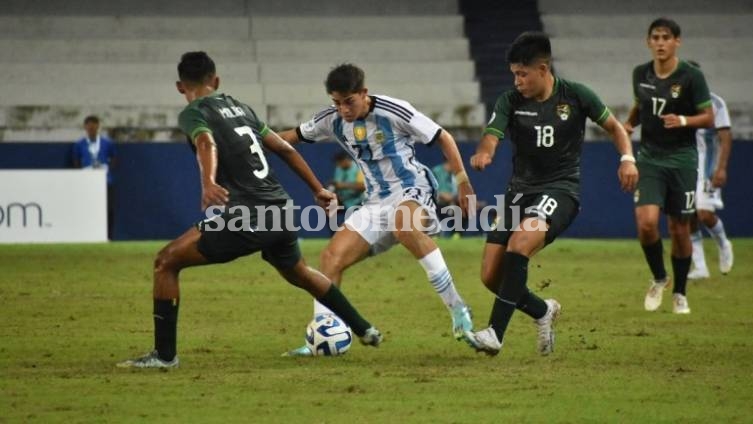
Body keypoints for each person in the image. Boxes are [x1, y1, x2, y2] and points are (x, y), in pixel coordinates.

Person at [117, 52, 382, 368]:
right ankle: (364, 327)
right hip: (282, 208)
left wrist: (207, 182)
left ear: (180, 86)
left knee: (166, 262)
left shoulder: (194, 112)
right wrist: (317, 188)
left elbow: (206, 143)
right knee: (299, 272)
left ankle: (164, 356)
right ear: (215, 81)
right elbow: (284, 147)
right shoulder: (240, 108)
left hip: (249, 214)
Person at [278, 63, 477, 356]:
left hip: (412, 189)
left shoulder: (393, 110)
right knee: (330, 257)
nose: (343, 109)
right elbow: (289, 137)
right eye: (336, 102)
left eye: (349, 101)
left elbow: (444, 137)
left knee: (405, 225)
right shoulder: (331, 119)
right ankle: (322, 336)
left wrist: (463, 183)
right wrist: (249, 137)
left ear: (364, 93)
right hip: (374, 202)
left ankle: (457, 307)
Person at [467, 32, 638, 356]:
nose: (517, 81)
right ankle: (543, 311)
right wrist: (485, 152)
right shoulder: (510, 101)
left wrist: (627, 159)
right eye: (514, 74)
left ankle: (494, 334)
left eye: (523, 74)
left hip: (560, 190)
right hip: (519, 192)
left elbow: (616, 128)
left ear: (543, 69)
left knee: (519, 243)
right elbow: (492, 135)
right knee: (491, 276)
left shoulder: (576, 96)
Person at [624, 18, 714, 314]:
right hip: (649, 157)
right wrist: (628, 124)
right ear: (648, 42)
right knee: (647, 222)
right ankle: (660, 277)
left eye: (666, 37)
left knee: (678, 229)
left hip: (682, 160)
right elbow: (642, 105)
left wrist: (684, 121)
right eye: (655, 37)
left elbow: (709, 117)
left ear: (677, 41)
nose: (660, 43)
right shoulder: (641, 73)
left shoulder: (691, 75)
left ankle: (680, 293)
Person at [685, 62, 734, 279]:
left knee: (704, 214)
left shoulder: (715, 103)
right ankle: (701, 267)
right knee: (688, 217)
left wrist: (721, 168)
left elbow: (725, 137)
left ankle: (723, 244)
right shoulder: (676, 105)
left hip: (707, 169)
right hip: (685, 168)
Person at [72, 115, 116, 239]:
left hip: (105, 181)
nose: (91, 128)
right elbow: (76, 161)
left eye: (94, 125)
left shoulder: (107, 143)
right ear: (85, 127)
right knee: (88, 209)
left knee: (108, 209)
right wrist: (81, 176)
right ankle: (88, 235)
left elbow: (114, 158)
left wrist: (108, 171)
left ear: (98, 126)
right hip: (87, 181)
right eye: (89, 126)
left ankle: (109, 236)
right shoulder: (79, 144)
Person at [330, 151, 365, 226]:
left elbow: (363, 186)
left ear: (345, 160)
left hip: (359, 201)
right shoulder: (339, 169)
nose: (338, 165)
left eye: (339, 163)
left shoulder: (358, 168)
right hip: (344, 200)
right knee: (328, 209)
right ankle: (334, 234)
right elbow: (336, 184)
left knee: (355, 223)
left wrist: (343, 185)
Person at [431, 161, 460, 238]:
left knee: (463, 206)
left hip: (451, 202)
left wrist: (453, 197)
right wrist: (441, 194)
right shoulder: (436, 171)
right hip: (437, 200)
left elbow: (457, 191)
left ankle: (456, 234)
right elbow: (431, 187)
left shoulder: (454, 175)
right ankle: (435, 233)